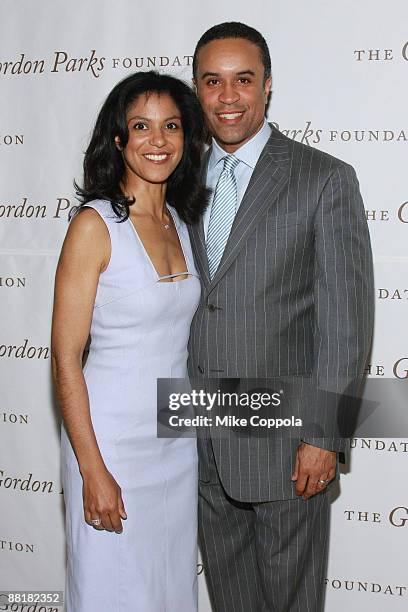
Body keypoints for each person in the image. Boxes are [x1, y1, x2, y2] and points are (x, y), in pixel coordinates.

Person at [188, 22, 374, 611]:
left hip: (287, 444)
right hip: (196, 436)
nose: (227, 97)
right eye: (212, 82)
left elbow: (347, 323)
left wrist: (324, 435)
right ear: (195, 89)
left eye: (243, 80)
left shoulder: (323, 178)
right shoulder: (172, 177)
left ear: (267, 86)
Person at [51, 71, 208, 612]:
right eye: (140, 126)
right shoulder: (95, 225)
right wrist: (92, 469)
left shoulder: (183, 223)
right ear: (118, 140)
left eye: (171, 126)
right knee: (110, 589)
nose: (157, 140)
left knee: (168, 587)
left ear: (187, 139)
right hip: (110, 441)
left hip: (174, 442)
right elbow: (66, 358)